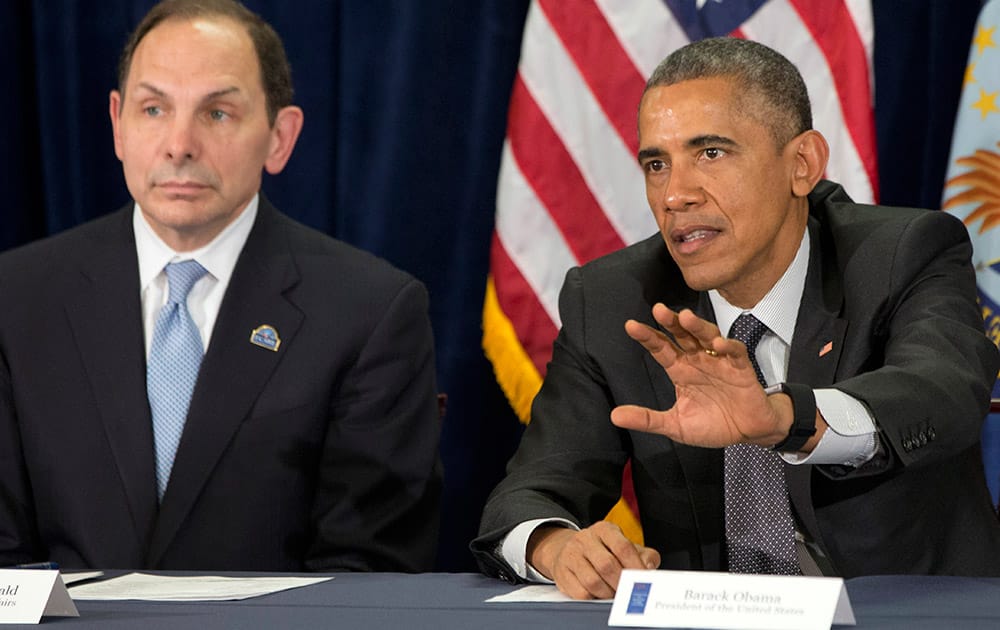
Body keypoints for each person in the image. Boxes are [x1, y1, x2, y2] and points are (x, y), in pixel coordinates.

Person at [472, 37, 1000, 599]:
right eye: (657, 164)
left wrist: (785, 419)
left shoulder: (902, 254)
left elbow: (943, 391)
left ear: (802, 165)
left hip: (905, 613)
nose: (675, 195)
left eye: (711, 154)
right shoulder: (614, 298)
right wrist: (557, 546)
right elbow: (529, 495)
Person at [0, 0, 442, 572]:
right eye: (154, 108)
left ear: (279, 137)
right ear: (117, 125)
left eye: (217, 114)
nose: (179, 144)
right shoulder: (18, 298)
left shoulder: (370, 313)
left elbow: (369, 568)